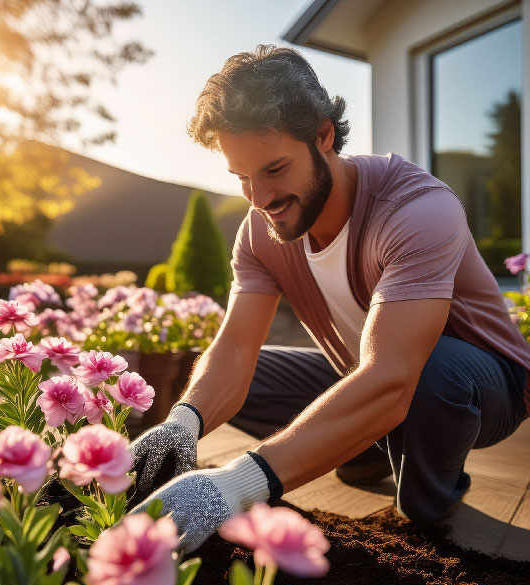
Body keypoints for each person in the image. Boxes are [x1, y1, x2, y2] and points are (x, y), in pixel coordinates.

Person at [129, 45, 530, 553]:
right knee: (231, 377)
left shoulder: (417, 211)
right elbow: (234, 348)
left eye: (274, 169)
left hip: (480, 382)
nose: (259, 199)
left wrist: (233, 486)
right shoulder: (261, 231)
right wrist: (182, 424)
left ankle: (431, 496)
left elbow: (392, 378)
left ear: (324, 136)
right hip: (367, 372)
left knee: (428, 375)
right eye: (242, 178)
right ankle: (366, 442)